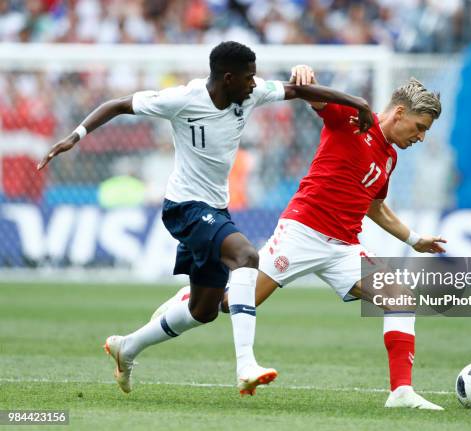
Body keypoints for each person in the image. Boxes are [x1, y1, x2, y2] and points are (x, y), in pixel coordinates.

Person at [37, 41, 375, 395]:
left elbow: (297, 91)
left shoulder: (251, 94)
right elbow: (118, 104)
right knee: (245, 256)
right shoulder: (183, 99)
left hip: (215, 208)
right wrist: (74, 137)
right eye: (248, 77)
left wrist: (358, 103)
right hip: (184, 207)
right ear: (228, 78)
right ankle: (246, 365)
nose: (254, 82)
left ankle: (127, 346)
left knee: (204, 310)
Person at [154, 74, 447, 409]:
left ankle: (401, 392)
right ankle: (191, 296)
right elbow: (313, 96)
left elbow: (374, 207)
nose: (422, 136)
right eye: (420, 126)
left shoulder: (389, 158)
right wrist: (304, 73)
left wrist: (414, 239)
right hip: (302, 233)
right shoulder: (352, 120)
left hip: (343, 249)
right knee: (227, 303)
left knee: (399, 297)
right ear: (398, 113)